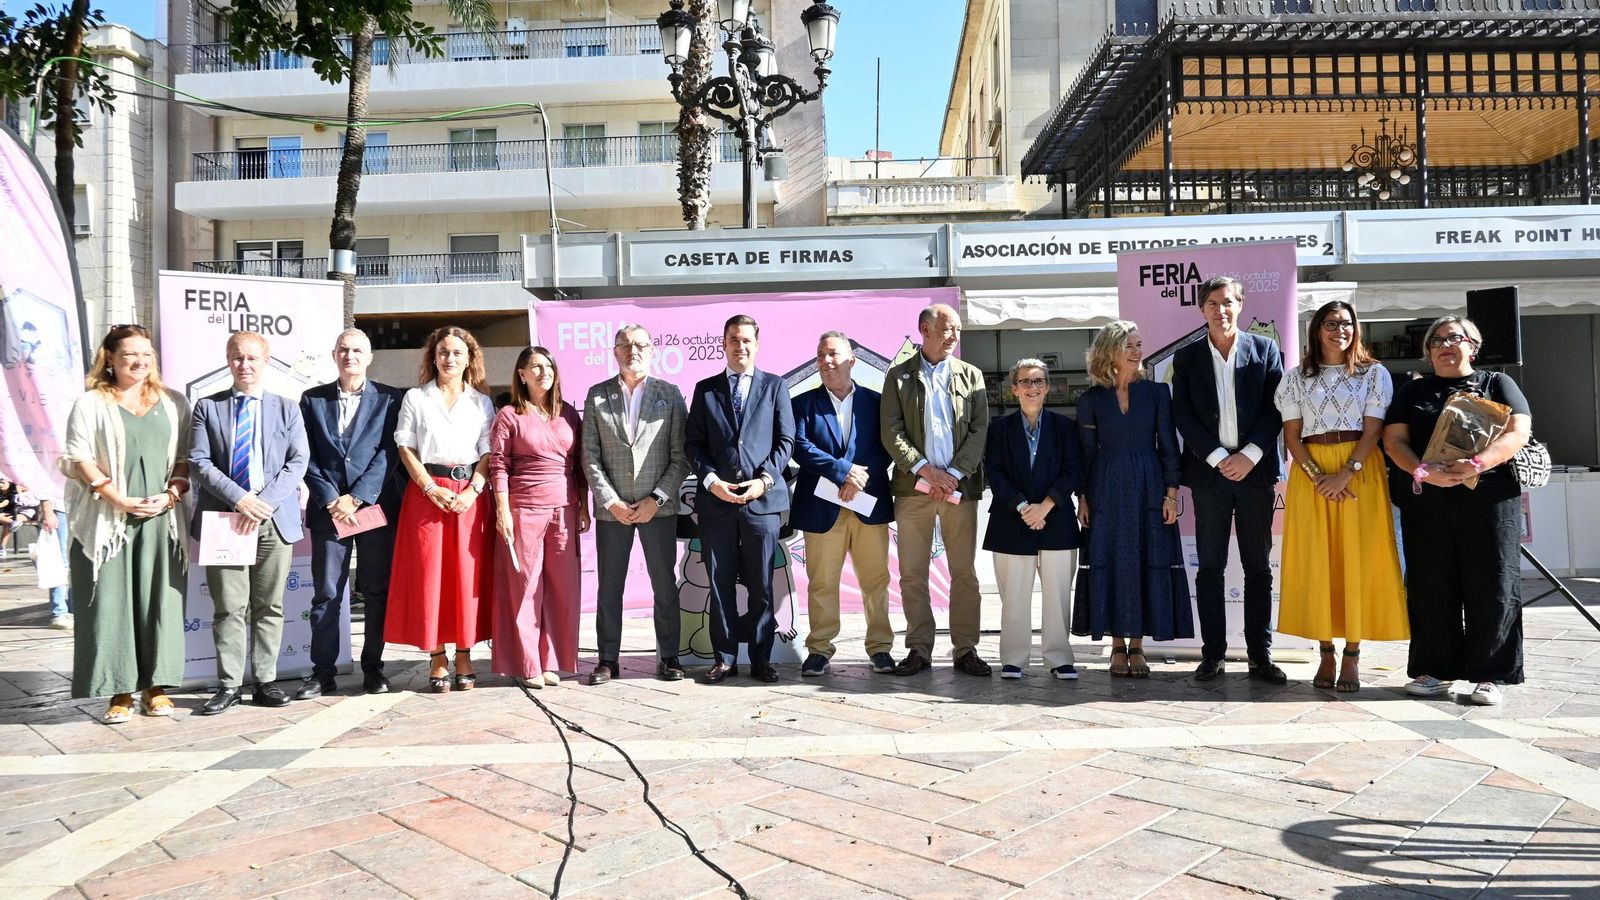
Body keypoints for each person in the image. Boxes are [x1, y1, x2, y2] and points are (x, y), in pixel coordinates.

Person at [1383, 316, 1531, 706]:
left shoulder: (1497, 384)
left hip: (1490, 500)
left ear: (1473, 345)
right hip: (1428, 501)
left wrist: (1479, 463)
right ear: (1427, 352)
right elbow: (1393, 439)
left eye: (1455, 338)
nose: (1445, 345)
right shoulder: (1413, 391)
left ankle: (1490, 675)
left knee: (1494, 584)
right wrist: (1420, 470)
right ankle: (1434, 670)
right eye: (1436, 341)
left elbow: (1518, 431)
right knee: (1431, 585)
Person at [59, 325, 191, 723]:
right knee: (109, 606)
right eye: (130, 354)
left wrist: (171, 494)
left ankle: (156, 688)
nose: (140, 361)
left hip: (161, 521)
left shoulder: (175, 403)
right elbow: (77, 456)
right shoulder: (90, 403)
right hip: (107, 523)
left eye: (146, 354)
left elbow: (184, 458)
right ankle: (118, 692)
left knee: (159, 603)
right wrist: (117, 498)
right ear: (110, 359)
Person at [1276, 302, 1407, 693]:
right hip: (1310, 474)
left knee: (1358, 558)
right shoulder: (1296, 377)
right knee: (1318, 560)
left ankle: (1352, 652)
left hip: (1359, 471)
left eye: (1347, 324)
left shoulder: (1374, 373)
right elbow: (1291, 438)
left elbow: (1374, 431)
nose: (1340, 330)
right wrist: (1319, 478)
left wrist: (1345, 473)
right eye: (1331, 324)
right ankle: (1325, 650)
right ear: (1317, 330)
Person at [1172, 275, 1287, 684]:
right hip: (1210, 476)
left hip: (1255, 475)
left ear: (1240, 305)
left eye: (1228, 302)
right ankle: (1213, 655)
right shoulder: (1186, 358)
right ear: (1201, 309)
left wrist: (1250, 456)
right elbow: (1182, 415)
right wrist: (1221, 458)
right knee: (1211, 568)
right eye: (1213, 304)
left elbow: (1278, 406)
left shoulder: (1265, 348)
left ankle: (1261, 655)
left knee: (1259, 567)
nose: (1221, 310)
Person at [190, 331, 309, 715]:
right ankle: (228, 685)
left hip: (274, 521)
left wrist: (264, 503)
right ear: (228, 360)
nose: (245, 365)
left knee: (269, 606)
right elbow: (199, 462)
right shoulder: (206, 408)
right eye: (238, 358)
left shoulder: (288, 409)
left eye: (252, 358)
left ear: (266, 360)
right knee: (229, 607)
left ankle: (266, 681)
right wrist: (239, 499)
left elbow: (297, 461)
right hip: (226, 519)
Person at [1074, 322, 1192, 676]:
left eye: (1139, 344)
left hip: (1149, 483)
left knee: (1144, 559)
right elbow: (1085, 453)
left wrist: (1171, 494)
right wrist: (1083, 498)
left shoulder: (1157, 393)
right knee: (1111, 560)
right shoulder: (1090, 399)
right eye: (1129, 345)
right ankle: (1115, 646)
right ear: (1110, 350)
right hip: (1105, 486)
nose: (1137, 351)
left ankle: (1137, 645)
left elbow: (1169, 446)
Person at [881, 303, 991, 676]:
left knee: (964, 572)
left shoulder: (972, 375)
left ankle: (965, 649)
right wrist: (927, 471)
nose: (955, 337)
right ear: (925, 329)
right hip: (914, 490)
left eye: (958, 330)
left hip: (959, 490)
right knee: (912, 573)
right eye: (948, 329)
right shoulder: (898, 376)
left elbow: (979, 429)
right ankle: (919, 649)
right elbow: (890, 431)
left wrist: (954, 474)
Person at [684, 314, 795, 684]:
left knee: (763, 584)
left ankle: (762, 659)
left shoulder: (775, 386)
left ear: (757, 344)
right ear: (724, 343)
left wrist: (764, 481)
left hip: (761, 502)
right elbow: (694, 444)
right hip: (717, 503)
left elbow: (786, 442)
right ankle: (726, 658)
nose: (740, 346)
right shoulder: (705, 389)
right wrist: (712, 481)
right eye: (733, 339)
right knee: (720, 583)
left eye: (747, 340)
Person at [297, 328, 406, 699]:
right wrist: (331, 498)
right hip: (329, 512)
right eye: (344, 349)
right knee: (327, 593)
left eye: (358, 350)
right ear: (334, 354)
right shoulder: (312, 400)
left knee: (377, 591)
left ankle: (374, 668)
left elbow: (391, 453)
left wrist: (357, 497)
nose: (350, 356)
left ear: (369, 356)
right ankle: (322, 672)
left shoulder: (392, 400)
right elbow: (305, 454)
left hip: (374, 508)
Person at [387, 326, 496, 693]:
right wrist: (429, 486)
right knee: (429, 576)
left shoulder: (481, 402)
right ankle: (436, 656)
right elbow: (405, 447)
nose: (450, 358)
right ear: (433, 357)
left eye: (457, 352)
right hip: (426, 494)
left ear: (469, 359)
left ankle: (464, 653)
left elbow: (488, 451)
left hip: (469, 495)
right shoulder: (416, 399)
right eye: (443, 352)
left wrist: (474, 490)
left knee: (464, 577)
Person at [581, 325, 688, 684]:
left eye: (640, 344)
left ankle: (669, 657)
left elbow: (681, 456)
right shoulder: (597, 396)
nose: (633, 351)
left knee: (664, 584)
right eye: (625, 345)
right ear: (614, 352)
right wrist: (610, 502)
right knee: (609, 587)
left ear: (653, 350)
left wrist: (656, 499)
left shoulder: (670, 394)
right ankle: (608, 660)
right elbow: (589, 457)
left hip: (657, 508)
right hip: (613, 512)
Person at [790, 332, 895, 677]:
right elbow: (800, 447)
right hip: (822, 510)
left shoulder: (878, 402)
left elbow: (888, 446)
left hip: (868, 505)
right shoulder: (802, 405)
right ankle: (820, 648)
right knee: (822, 582)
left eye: (833, 354)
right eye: (820, 355)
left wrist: (857, 477)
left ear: (852, 360)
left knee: (875, 581)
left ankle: (880, 647)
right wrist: (843, 472)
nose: (826, 361)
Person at [491, 346, 590, 688]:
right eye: (535, 367)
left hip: (565, 508)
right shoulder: (509, 415)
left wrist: (584, 505)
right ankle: (528, 663)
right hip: (524, 509)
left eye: (548, 366)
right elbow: (499, 465)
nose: (543, 372)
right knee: (526, 587)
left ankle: (552, 660)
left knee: (563, 588)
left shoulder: (568, 414)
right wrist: (502, 509)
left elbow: (578, 464)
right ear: (522, 374)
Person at [984, 358, 1082, 681]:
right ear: (1014, 389)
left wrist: (1045, 506)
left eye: (1039, 381)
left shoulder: (1066, 427)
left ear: (1047, 387)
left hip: (1056, 520)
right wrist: (1024, 507)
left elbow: (1072, 470)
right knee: (1014, 597)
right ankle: (1013, 659)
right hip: (1012, 521)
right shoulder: (998, 429)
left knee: (1057, 595)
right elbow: (994, 473)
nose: (1033, 387)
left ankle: (1058, 658)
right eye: (1025, 382)